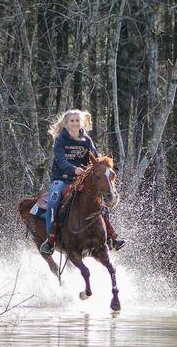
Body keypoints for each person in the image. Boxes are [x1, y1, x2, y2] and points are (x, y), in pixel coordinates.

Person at [39, 109, 125, 255]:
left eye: (77, 120)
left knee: (99, 202)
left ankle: (111, 236)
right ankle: (51, 240)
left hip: (83, 180)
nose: (74, 123)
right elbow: (60, 160)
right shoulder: (60, 139)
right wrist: (74, 170)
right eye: (71, 121)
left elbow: (96, 161)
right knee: (53, 202)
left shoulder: (87, 140)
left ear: (81, 122)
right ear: (66, 123)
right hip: (62, 179)